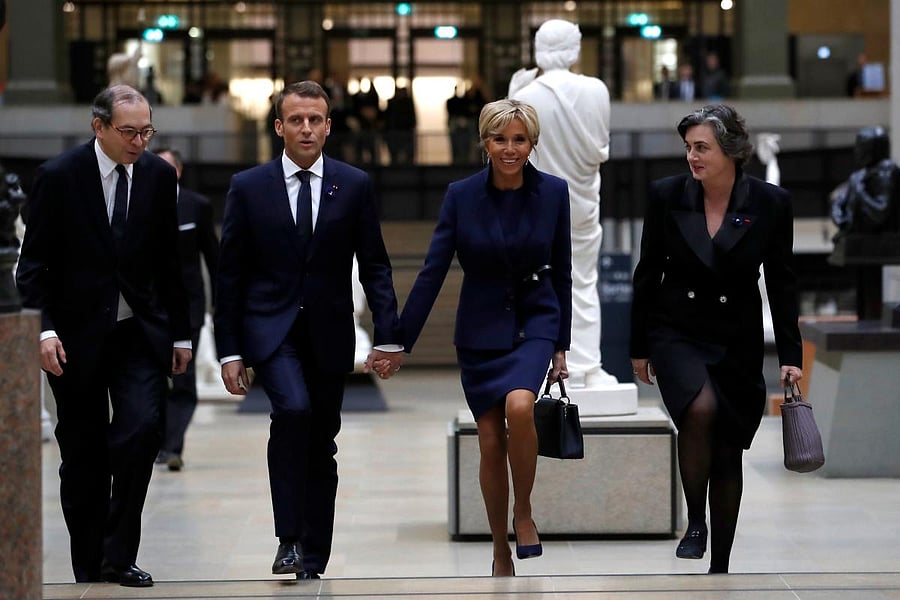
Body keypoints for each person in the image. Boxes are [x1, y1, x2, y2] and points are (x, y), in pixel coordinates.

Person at [214, 80, 403, 580]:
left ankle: (312, 554)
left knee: (322, 440)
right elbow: (230, 274)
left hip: (328, 331)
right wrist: (230, 351)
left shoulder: (354, 184)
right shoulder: (248, 187)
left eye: (315, 119)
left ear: (328, 126)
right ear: (279, 127)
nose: (306, 128)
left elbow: (376, 266)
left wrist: (388, 336)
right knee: (292, 412)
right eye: (295, 119)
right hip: (270, 331)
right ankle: (289, 538)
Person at [16, 84, 192, 587]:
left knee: (139, 433)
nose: (140, 141)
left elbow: (168, 262)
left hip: (138, 330)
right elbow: (33, 267)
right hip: (74, 336)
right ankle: (89, 561)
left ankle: (119, 554)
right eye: (129, 132)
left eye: (147, 131)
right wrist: (43, 329)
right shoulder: (58, 176)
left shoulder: (159, 176)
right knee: (82, 452)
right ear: (99, 127)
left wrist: (180, 336)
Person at [397, 99, 572, 577]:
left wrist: (560, 345)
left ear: (532, 142)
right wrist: (399, 340)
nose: (510, 148)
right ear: (485, 142)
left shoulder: (555, 193)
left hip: (536, 320)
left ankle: (524, 513)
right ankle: (500, 549)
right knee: (490, 440)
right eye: (500, 139)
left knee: (520, 406)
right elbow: (433, 270)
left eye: (519, 139)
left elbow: (563, 271)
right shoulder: (460, 195)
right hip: (479, 330)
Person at [630, 104, 803, 574]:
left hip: (736, 336)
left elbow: (782, 281)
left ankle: (720, 565)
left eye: (701, 147)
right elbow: (647, 272)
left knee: (728, 448)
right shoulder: (666, 195)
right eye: (688, 147)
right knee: (699, 409)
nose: (692, 156)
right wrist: (638, 347)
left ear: (729, 150)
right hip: (676, 329)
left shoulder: (770, 202)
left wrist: (791, 354)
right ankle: (695, 521)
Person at [509, 18, 613, 386]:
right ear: (575, 48)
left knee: (538, 285)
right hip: (582, 203)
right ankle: (586, 366)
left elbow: (514, 155)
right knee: (583, 282)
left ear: (538, 49)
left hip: (538, 207)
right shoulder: (596, 90)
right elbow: (600, 149)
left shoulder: (527, 95)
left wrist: (513, 96)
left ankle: (539, 368)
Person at [155, 147, 219, 472]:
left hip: (188, 305)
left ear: (178, 171)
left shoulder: (197, 206)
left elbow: (213, 256)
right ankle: (157, 441)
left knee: (182, 379)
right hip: (149, 308)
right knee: (152, 377)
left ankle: (172, 445)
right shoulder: (140, 204)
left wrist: (220, 303)